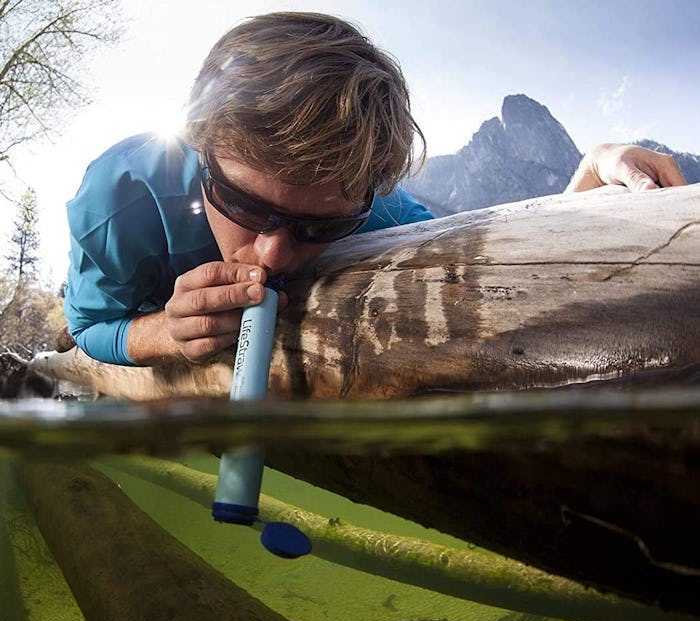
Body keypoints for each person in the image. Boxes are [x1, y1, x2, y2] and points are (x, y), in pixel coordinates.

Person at [63, 12, 687, 368]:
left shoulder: (372, 207)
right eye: (247, 206)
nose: (275, 255)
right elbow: (89, 324)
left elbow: (479, 242)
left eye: (321, 229)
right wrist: (163, 335)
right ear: (200, 143)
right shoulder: (118, 199)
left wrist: (587, 180)